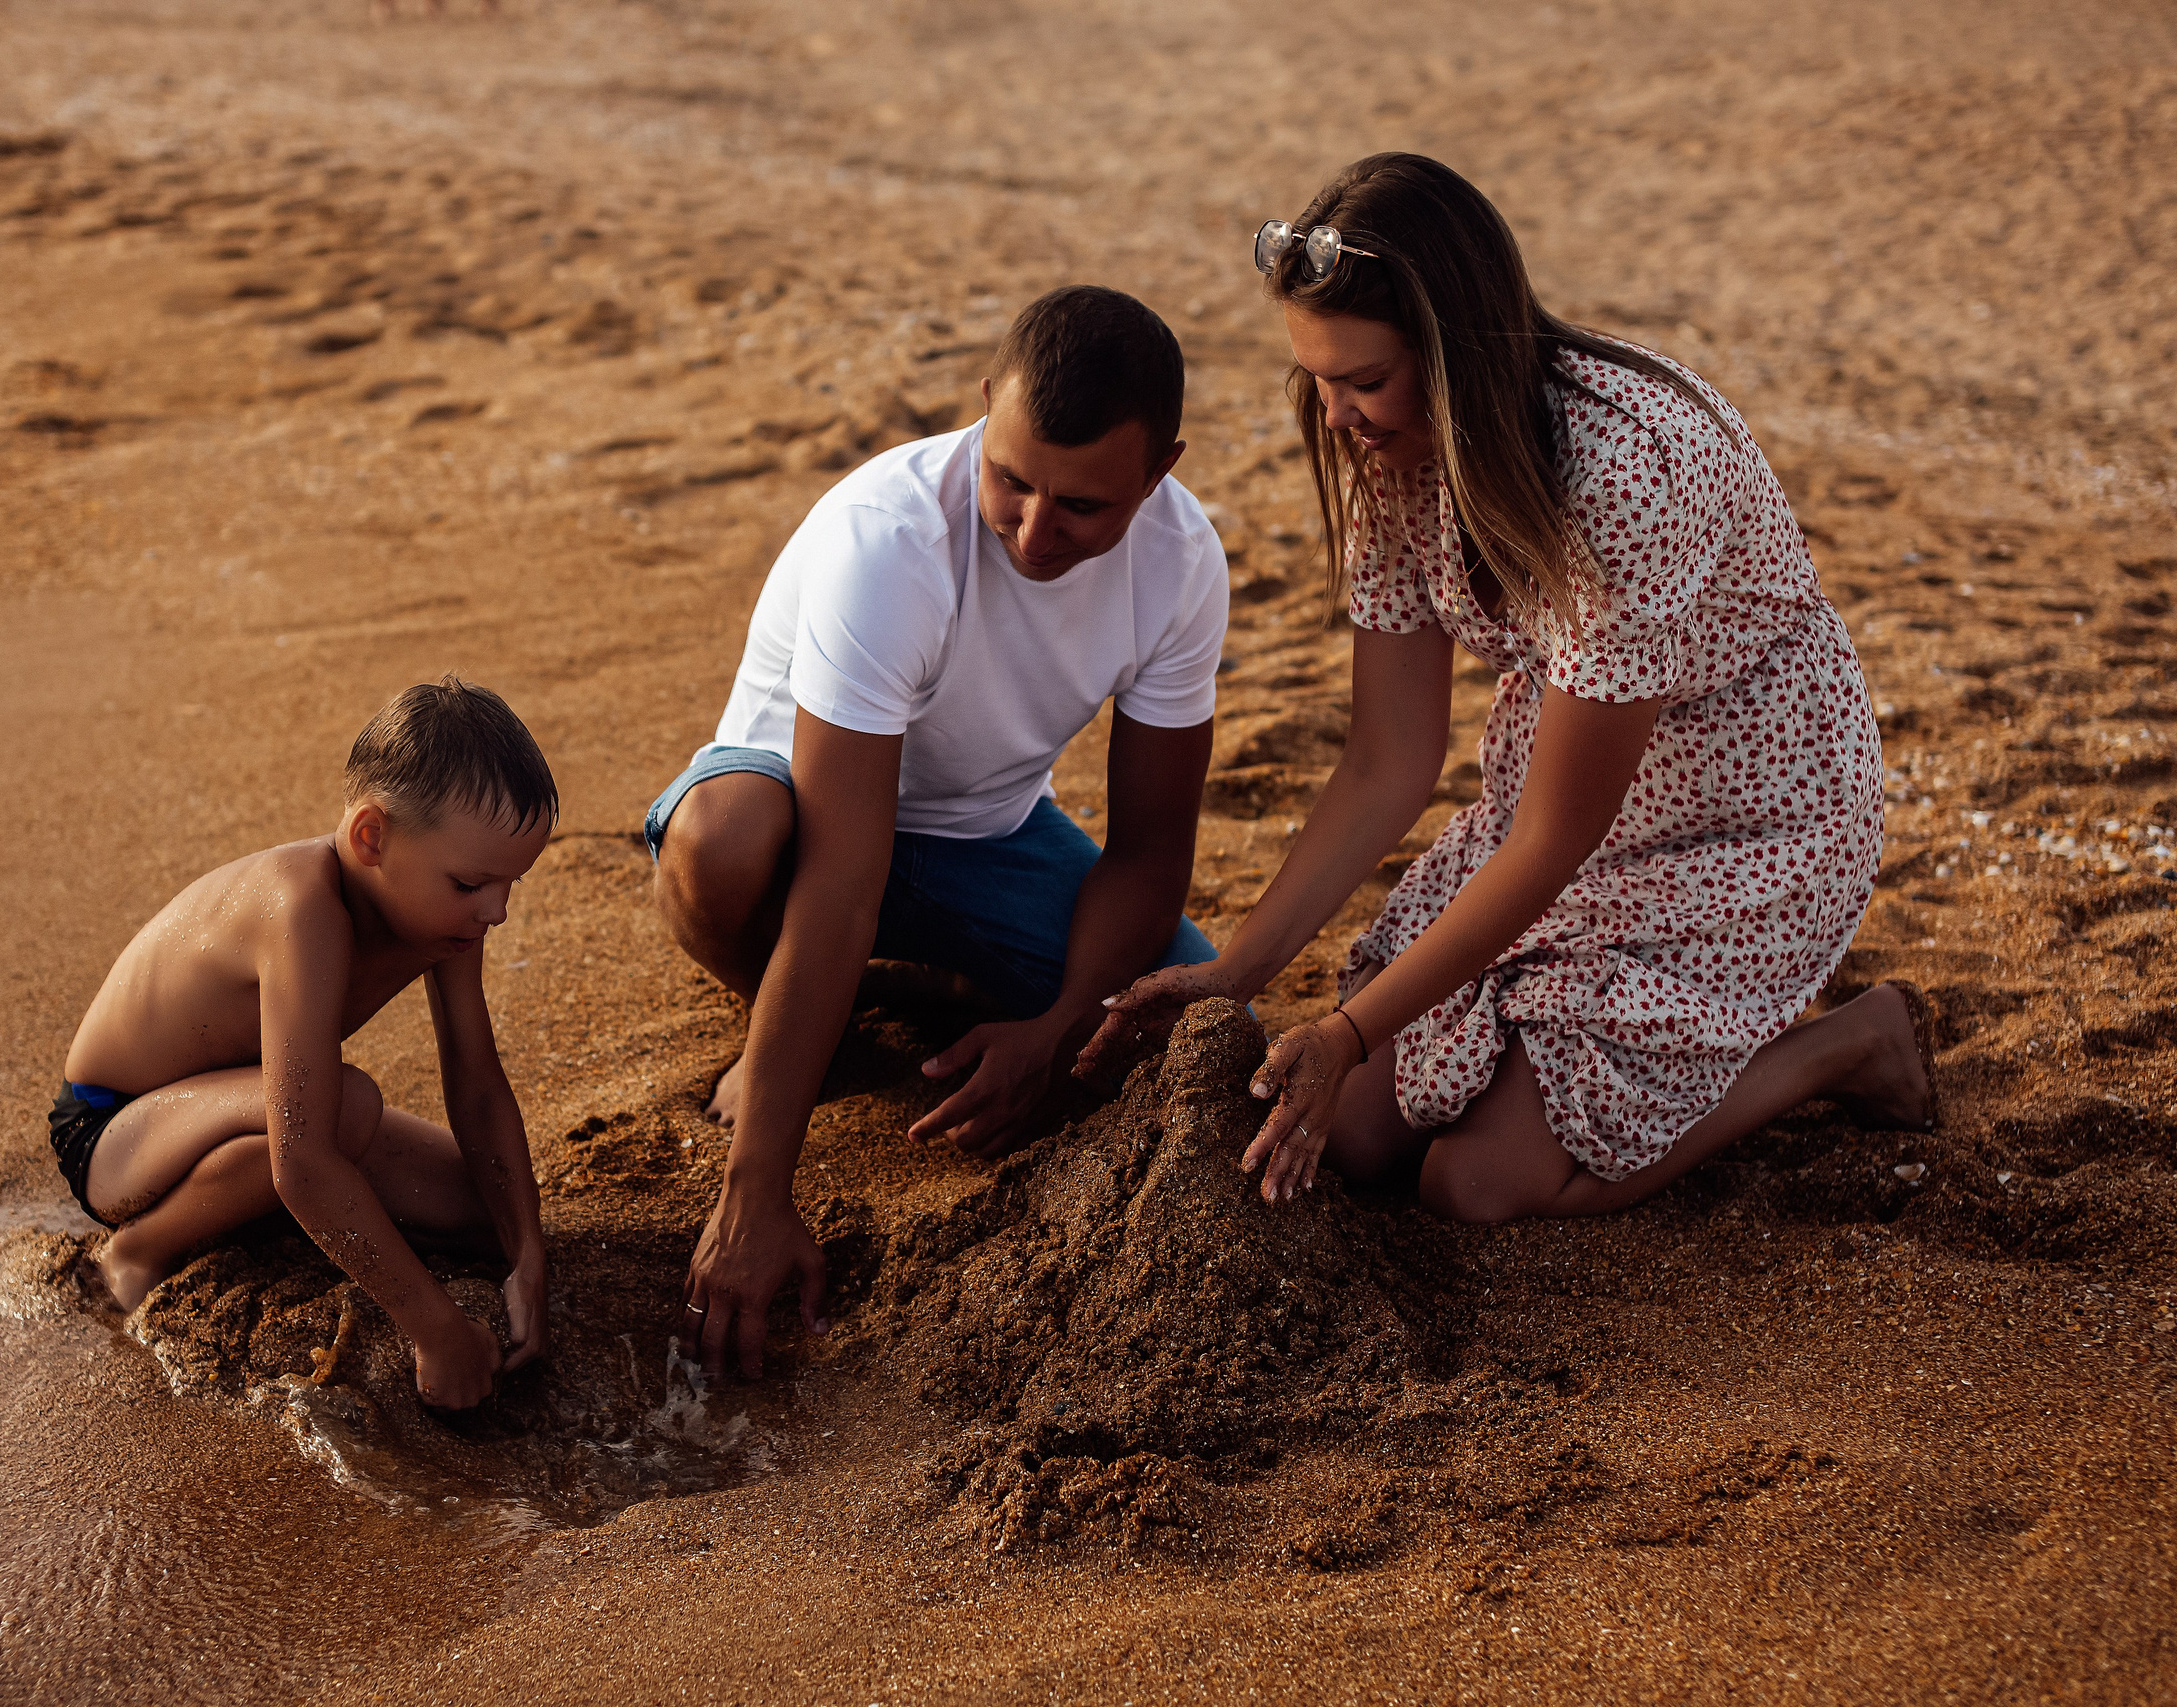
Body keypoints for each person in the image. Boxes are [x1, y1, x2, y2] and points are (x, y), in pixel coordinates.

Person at [1085, 154, 1932, 1222]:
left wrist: (1345, 1034)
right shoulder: (1396, 453)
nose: (1338, 415)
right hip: (1561, 798)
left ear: (1454, 357)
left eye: (1364, 381)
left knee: (1476, 1184)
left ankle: (1848, 1044)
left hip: (1746, 824)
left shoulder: (1625, 473)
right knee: (1353, 1134)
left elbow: (1552, 842)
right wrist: (1236, 971)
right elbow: (1387, 761)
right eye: (1318, 379)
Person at [650, 285, 1230, 1375]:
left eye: (1082, 508)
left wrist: (1059, 1027)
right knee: (718, 846)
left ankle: (924, 993)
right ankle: (796, 1027)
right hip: (797, 815)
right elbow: (837, 879)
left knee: (1177, 1014)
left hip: (984, 833)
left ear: (1160, 472)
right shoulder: (891, 539)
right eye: (1009, 479)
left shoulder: (1184, 565)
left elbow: (1152, 851)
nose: (1029, 529)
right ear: (983, 412)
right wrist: (753, 1197)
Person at [50, 676, 555, 1410]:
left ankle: (240, 1209)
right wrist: (433, 1327)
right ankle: (140, 1250)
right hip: (115, 1130)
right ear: (371, 837)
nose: (497, 910)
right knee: (341, 1110)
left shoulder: (450, 918)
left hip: (246, 1105)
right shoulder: (302, 904)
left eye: (510, 884)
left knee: (489, 1211)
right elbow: (305, 1158)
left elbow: (476, 1084)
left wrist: (527, 1254)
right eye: (473, 882)